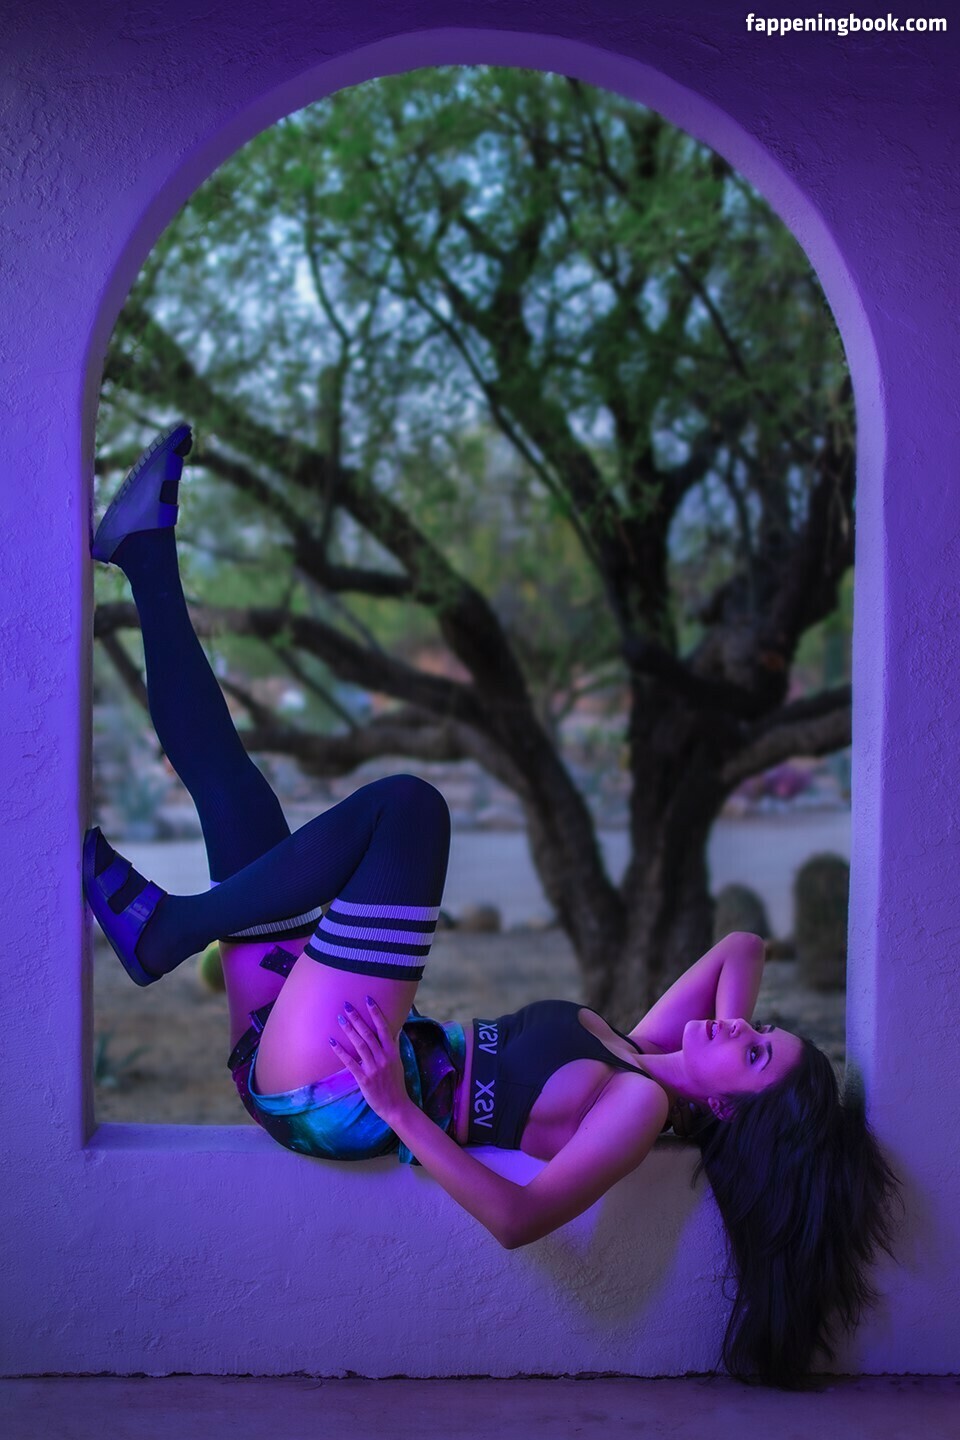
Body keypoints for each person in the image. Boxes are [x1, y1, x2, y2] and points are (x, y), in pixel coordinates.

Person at [84, 423, 902, 1390]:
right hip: (322, 1046)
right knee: (234, 791)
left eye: (756, 1051)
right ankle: (143, 553)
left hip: (343, 1091)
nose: (744, 1024)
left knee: (409, 814)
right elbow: (742, 943)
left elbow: (522, 1219)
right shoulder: (641, 1053)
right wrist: (730, 1050)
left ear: (731, 1106)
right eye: (763, 1029)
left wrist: (401, 1111)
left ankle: (174, 930)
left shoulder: (639, 1104)